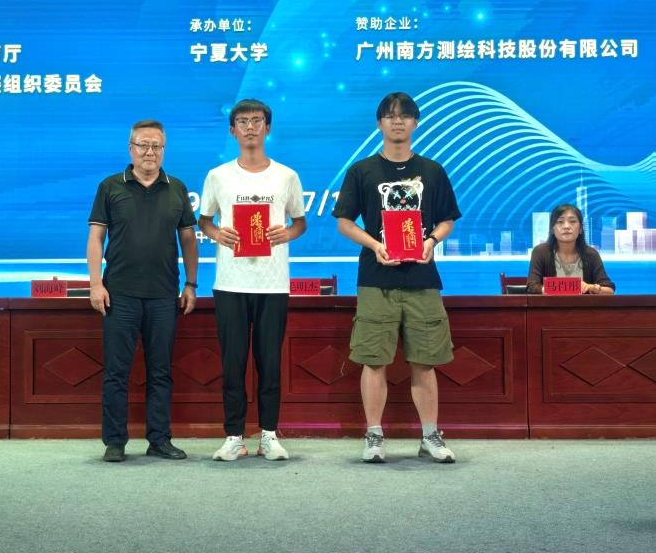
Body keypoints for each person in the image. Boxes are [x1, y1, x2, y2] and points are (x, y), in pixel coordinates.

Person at [332, 92, 461, 464]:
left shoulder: (432, 171)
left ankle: (430, 435)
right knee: (374, 360)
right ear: (379, 124)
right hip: (376, 278)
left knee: (425, 361)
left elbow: (447, 219)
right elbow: (344, 222)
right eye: (390, 115)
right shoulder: (362, 171)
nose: (398, 121)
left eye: (405, 115)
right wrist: (375, 245)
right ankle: (374, 435)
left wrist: (431, 241)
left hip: (422, 277)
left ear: (415, 123)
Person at [198, 98, 307, 461]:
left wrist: (286, 234)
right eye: (242, 121)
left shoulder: (286, 176)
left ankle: (268, 435)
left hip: (272, 284)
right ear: (232, 130)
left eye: (256, 120)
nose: (249, 127)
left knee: (269, 363)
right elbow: (205, 220)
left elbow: (299, 222)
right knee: (232, 363)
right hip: (230, 282)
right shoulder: (218, 175)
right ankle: (234, 436)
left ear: (267, 128)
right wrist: (218, 234)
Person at [87, 119, 199, 463]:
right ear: (131, 148)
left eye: (156, 146)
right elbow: (96, 237)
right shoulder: (110, 186)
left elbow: (188, 239)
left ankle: (159, 440)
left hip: (164, 295)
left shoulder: (176, 188)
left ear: (164, 150)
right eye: (143, 145)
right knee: (117, 372)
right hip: (119, 294)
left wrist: (191, 284)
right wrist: (95, 283)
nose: (150, 152)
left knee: (161, 371)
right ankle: (115, 441)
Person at [527, 204, 615, 295]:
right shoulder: (541, 252)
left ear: (580, 229)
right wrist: (561, 288)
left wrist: (592, 287)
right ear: (552, 229)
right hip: (550, 304)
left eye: (572, 221)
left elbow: (609, 290)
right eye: (560, 222)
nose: (566, 226)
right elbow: (531, 286)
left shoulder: (591, 254)